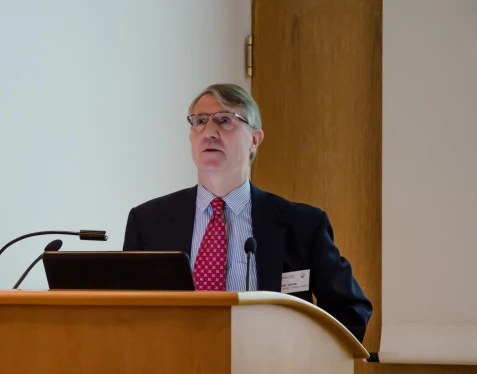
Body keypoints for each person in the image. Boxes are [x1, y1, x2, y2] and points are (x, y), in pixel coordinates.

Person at [122, 83, 372, 342]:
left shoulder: (302, 225)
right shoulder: (148, 222)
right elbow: (122, 313)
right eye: (200, 121)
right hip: (172, 373)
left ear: (255, 139)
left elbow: (351, 311)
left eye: (225, 120)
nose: (210, 132)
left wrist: (303, 361)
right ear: (191, 137)